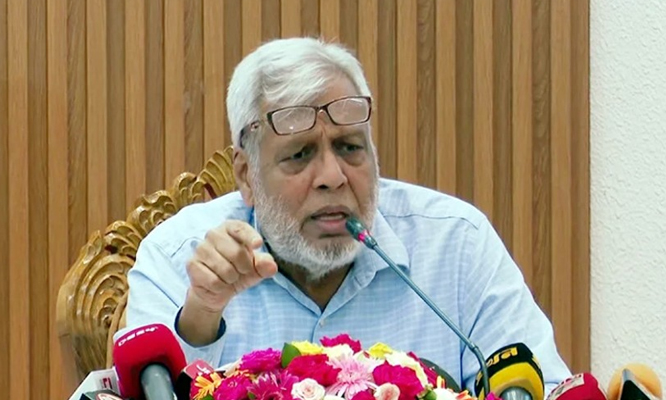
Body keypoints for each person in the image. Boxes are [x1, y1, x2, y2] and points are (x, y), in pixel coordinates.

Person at [117, 37, 571, 395]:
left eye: (350, 147)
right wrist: (202, 313)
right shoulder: (179, 256)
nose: (333, 177)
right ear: (246, 174)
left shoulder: (457, 245)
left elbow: (542, 385)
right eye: (300, 154)